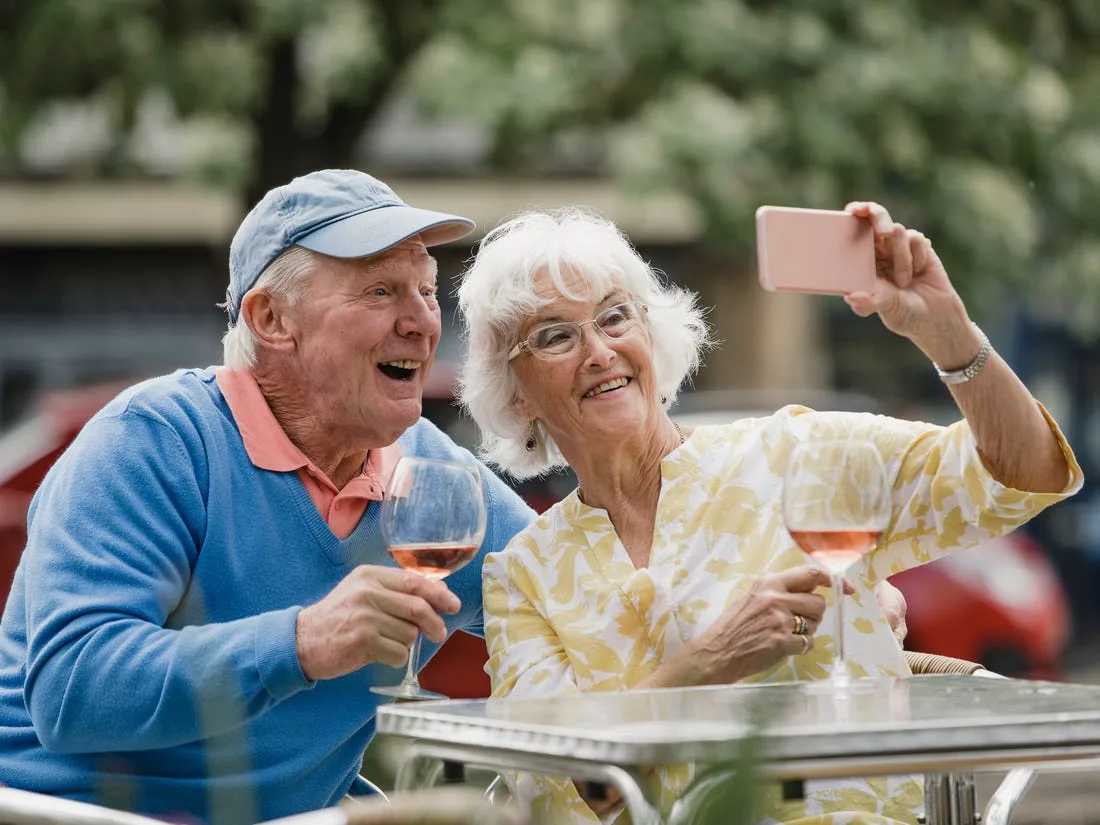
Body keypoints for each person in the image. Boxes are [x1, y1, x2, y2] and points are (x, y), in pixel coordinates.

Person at [456, 202, 1082, 824]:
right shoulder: (524, 575)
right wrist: (711, 662)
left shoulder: (798, 454)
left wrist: (948, 333)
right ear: (515, 393)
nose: (598, 350)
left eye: (615, 317)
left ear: (651, 335)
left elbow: (1022, 476)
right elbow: (556, 796)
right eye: (555, 335)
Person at [0, 170, 536, 823]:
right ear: (271, 318)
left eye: (426, 289)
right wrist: (303, 641)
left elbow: (571, 588)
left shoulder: (430, 468)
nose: (424, 320)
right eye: (380, 290)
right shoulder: (154, 439)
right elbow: (71, 690)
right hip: (74, 814)